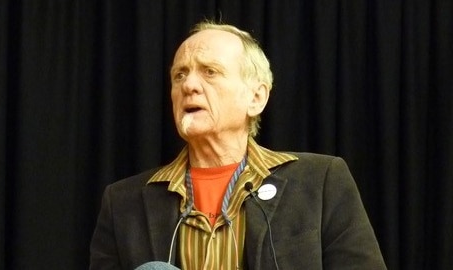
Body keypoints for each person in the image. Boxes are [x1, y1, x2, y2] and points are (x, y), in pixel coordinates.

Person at [89, 21, 386, 270]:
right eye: (179, 74)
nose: (189, 85)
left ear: (256, 97)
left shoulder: (320, 182)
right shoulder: (123, 203)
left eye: (210, 72)